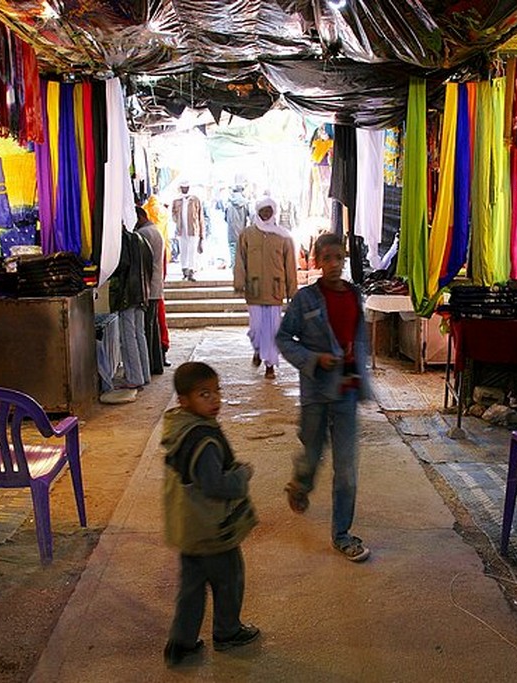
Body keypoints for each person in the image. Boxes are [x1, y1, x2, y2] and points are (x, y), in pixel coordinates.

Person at [276, 233, 373, 562]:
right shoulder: (305, 300)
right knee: (312, 453)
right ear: (316, 261)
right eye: (326, 258)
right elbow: (284, 338)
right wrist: (313, 359)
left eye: (338, 258)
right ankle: (300, 483)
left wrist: (361, 374)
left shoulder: (354, 295)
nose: (333, 264)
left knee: (346, 468)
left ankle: (342, 534)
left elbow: (357, 339)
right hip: (316, 393)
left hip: (345, 393)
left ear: (345, 259)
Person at [161, 362, 261, 667]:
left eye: (217, 392)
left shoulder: (178, 428)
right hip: (211, 530)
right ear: (184, 400)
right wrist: (241, 475)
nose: (214, 399)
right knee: (230, 579)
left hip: (189, 529)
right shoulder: (202, 440)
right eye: (204, 394)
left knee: (191, 589)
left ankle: (181, 643)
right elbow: (215, 484)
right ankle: (228, 631)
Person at [234, 197, 298, 380]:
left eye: (269, 211)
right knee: (255, 328)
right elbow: (240, 260)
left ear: (274, 212)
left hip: (275, 289)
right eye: (263, 211)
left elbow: (290, 265)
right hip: (254, 289)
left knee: (272, 329)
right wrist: (239, 282)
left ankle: (270, 365)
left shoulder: (283, 236)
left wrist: (292, 291)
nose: (266, 214)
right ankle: (257, 349)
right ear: (257, 212)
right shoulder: (247, 234)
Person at [108, 223, 153, 390]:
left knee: (128, 337)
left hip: (128, 293)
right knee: (139, 334)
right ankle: (144, 374)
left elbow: (122, 264)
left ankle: (134, 378)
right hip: (141, 292)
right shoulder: (141, 239)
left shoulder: (122, 240)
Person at [135, 206, 166, 375]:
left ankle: (149, 366)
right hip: (155, 286)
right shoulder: (155, 230)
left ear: (139, 217)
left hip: (149, 287)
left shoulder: (144, 234)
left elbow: (143, 264)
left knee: (146, 329)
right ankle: (156, 364)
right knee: (152, 327)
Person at [171, 182, 205, 281]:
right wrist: (177, 221)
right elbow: (173, 213)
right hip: (181, 230)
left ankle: (191, 270)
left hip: (193, 229)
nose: (184, 189)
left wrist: (202, 234)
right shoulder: (177, 200)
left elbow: (200, 217)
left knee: (192, 250)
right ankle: (184, 270)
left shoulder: (195, 200)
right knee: (183, 250)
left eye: (186, 187)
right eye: (183, 187)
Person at [224, 185, 251, 269]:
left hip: (231, 231)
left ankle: (234, 267)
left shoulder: (228, 204)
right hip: (242, 231)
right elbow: (249, 216)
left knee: (232, 249)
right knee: (242, 251)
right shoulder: (245, 204)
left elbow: (225, 218)